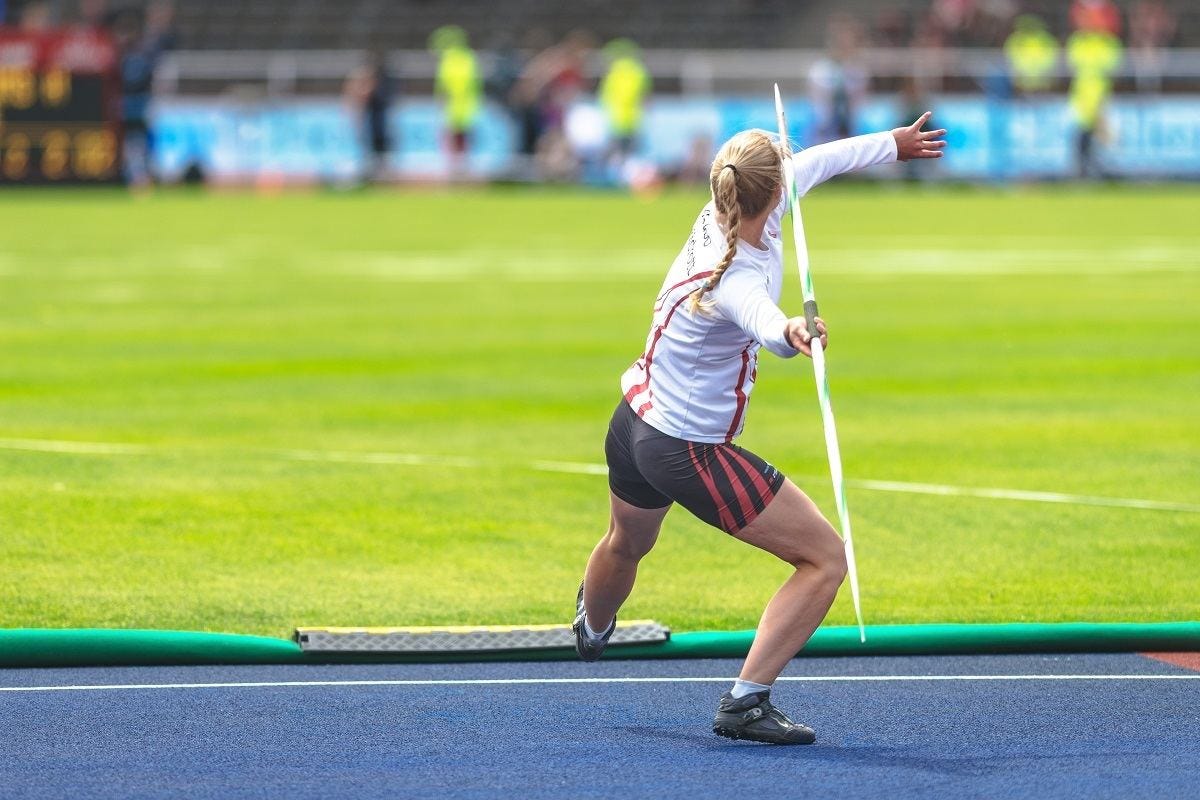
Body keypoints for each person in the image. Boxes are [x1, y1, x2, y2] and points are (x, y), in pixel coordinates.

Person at [572, 114, 946, 745]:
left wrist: (894, 145)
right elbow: (760, 317)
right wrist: (794, 333)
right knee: (824, 559)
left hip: (633, 419)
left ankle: (592, 624)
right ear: (772, 195)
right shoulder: (736, 275)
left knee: (626, 542)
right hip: (686, 449)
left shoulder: (724, 206)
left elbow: (818, 162)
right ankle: (745, 704)